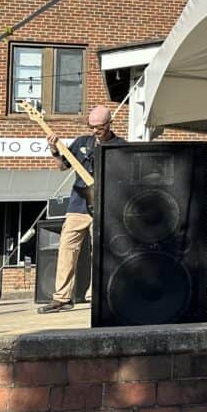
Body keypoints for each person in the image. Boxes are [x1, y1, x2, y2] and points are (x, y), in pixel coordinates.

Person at [38, 105, 126, 313]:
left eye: (100, 127)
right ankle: (62, 297)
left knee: (102, 252)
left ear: (109, 123)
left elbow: (125, 178)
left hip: (105, 206)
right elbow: (62, 166)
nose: (95, 131)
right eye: (92, 126)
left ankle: (98, 296)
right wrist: (54, 151)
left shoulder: (120, 146)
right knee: (67, 249)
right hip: (78, 204)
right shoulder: (81, 143)